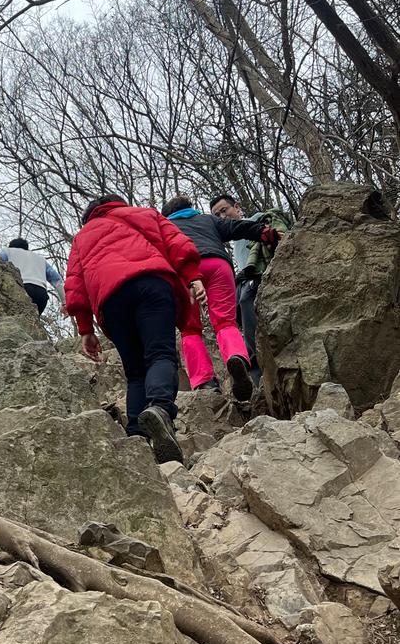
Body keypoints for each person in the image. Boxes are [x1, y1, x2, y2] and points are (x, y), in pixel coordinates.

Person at [64, 193, 206, 464]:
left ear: (89, 217)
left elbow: (75, 285)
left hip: (110, 300)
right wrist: (192, 277)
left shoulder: (82, 239)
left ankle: (137, 437)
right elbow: (176, 243)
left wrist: (85, 329)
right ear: (117, 204)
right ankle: (160, 409)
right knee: (160, 355)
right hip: (151, 283)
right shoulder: (142, 214)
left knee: (135, 372)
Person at [161, 195, 280, 400]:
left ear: (167, 215)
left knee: (189, 329)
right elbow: (237, 227)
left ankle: (204, 381)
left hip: (182, 272)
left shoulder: (164, 227)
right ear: (191, 208)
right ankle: (237, 357)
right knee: (225, 321)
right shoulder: (208, 220)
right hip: (217, 265)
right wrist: (263, 232)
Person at [209, 194, 289, 384]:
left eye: (224, 210)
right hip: (246, 280)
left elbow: (276, 233)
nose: (222, 217)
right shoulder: (235, 241)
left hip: (259, 277)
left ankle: (256, 369)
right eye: (217, 215)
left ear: (237, 207)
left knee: (245, 304)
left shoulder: (255, 220)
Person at [0, 237, 66, 316]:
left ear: (11, 246)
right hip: (41, 295)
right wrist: (64, 303)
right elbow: (57, 280)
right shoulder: (40, 259)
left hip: (21, 288)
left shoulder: (7, 251)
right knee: (32, 321)